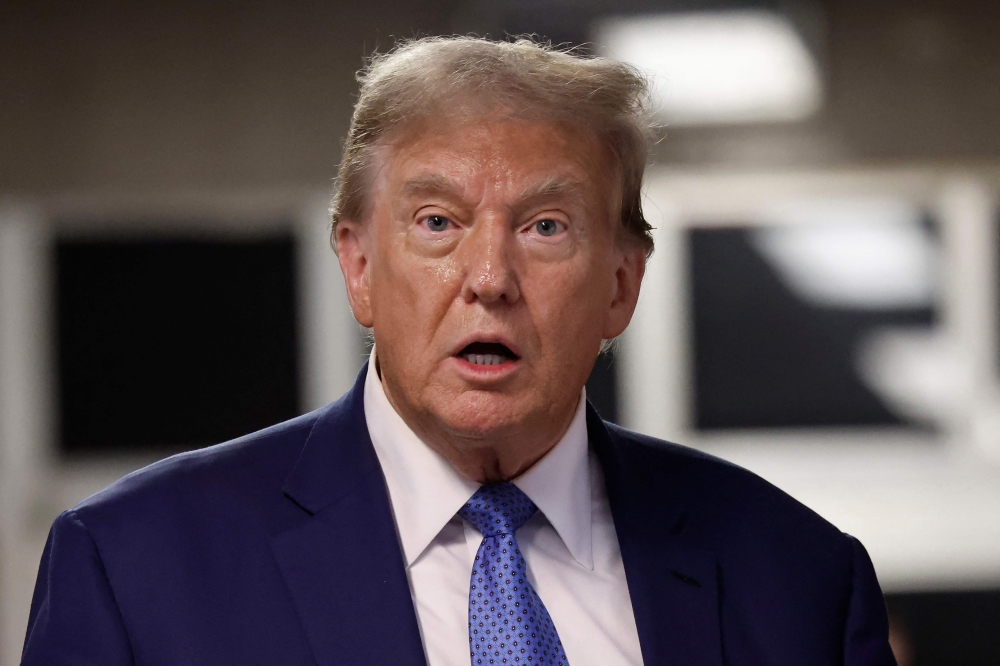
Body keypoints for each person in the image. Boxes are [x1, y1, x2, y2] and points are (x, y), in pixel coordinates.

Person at [21, 37, 896, 665]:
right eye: (438, 222)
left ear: (622, 286)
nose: (490, 277)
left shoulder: (801, 583)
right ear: (359, 266)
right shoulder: (134, 571)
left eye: (546, 227)